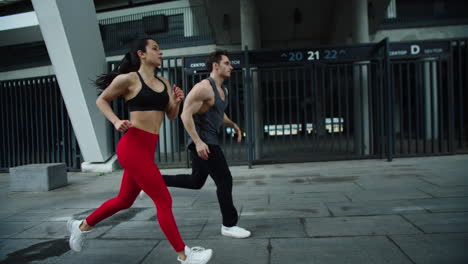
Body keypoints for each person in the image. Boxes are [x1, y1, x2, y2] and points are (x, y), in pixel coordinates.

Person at [66, 38, 212, 264]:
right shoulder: (129, 79)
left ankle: (81, 226)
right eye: (155, 48)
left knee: (124, 200)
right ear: (141, 54)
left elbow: (171, 116)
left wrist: (176, 102)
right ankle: (185, 255)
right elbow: (101, 100)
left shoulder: (164, 81)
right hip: (132, 147)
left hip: (147, 149)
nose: (160, 52)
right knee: (163, 199)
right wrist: (115, 121)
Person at [140, 50, 251, 239]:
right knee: (225, 180)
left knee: (196, 182)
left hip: (208, 141)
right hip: (204, 143)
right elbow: (185, 114)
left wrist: (232, 124)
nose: (231, 66)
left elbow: (217, 112)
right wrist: (198, 142)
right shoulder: (203, 88)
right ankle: (229, 225)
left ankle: (150, 181)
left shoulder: (223, 90)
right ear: (215, 66)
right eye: (227, 63)